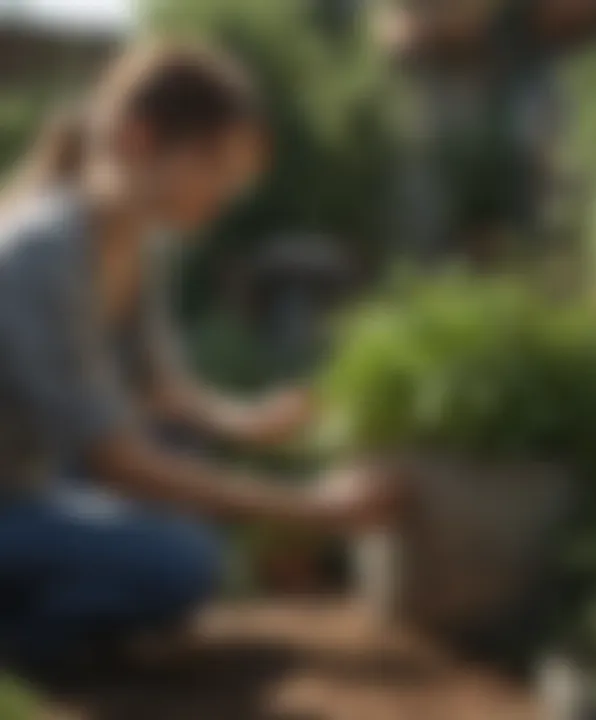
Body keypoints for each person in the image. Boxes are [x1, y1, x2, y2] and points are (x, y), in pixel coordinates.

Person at [0, 40, 397, 679]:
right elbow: (115, 462)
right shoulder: (42, 253)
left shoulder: (135, 241)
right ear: (136, 138)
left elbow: (159, 390)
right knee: (185, 562)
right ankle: (21, 644)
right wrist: (314, 509)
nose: (227, 192)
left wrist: (249, 422)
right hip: (18, 498)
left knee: (182, 474)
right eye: (215, 165)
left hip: (28, 485)